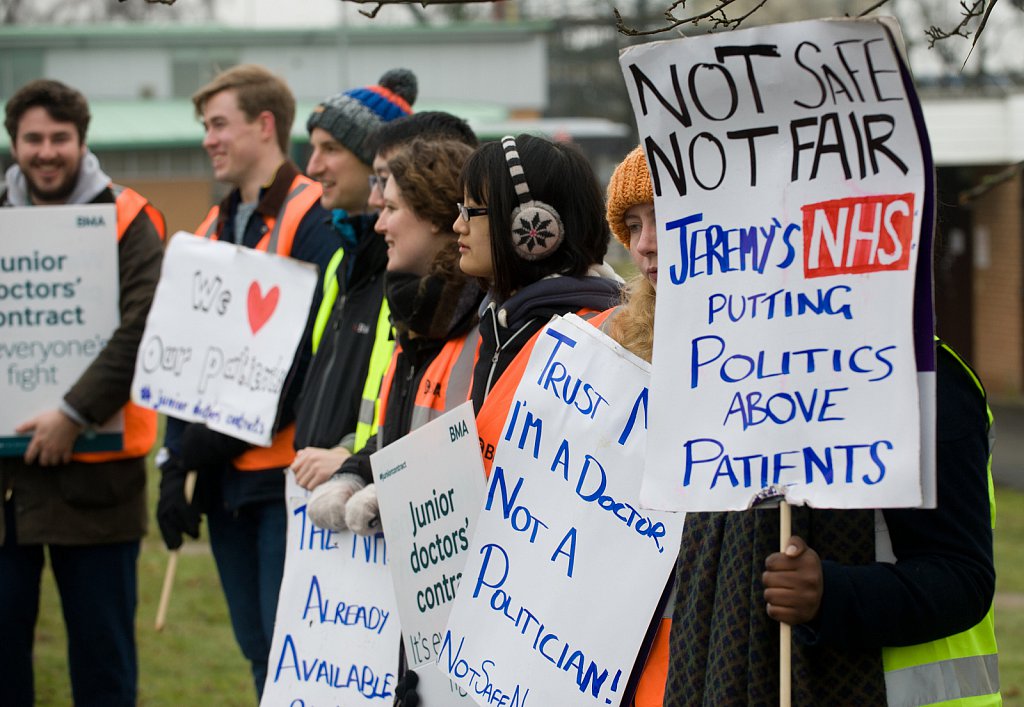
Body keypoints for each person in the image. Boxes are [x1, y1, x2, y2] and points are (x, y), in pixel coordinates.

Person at [155, 63, 338, 699]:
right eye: (205, 126)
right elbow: (184, 359)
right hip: (224, 479)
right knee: (258, 653)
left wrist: (217, 440)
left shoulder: (313, 217)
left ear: (265, 126)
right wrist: (175, 459)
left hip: (284, 478)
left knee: (293, 655)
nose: (208, 139)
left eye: (218, 125)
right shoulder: (210, 230)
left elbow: (310, 353)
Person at [0, 79, 165, 707]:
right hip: (6, 488)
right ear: (15, 143)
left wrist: (74, 413)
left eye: (59, 139)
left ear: (81, 142)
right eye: (33, 139)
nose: (46, 152)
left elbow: (141, 323)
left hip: (98, 480)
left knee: (102, 663)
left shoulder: (128, 215)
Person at [306, 136, 481, 532]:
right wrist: (353, 473)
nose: (380, 223)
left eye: (391, 209)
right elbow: (396, 434)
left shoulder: (480, 316)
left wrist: (400, 491)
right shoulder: (414, 312)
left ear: (435, 216)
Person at [453, 133, 621, 416]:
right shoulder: (500, 320)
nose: (458, 225)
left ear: (532, 225)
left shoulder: (594, 338)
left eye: (471, 210)